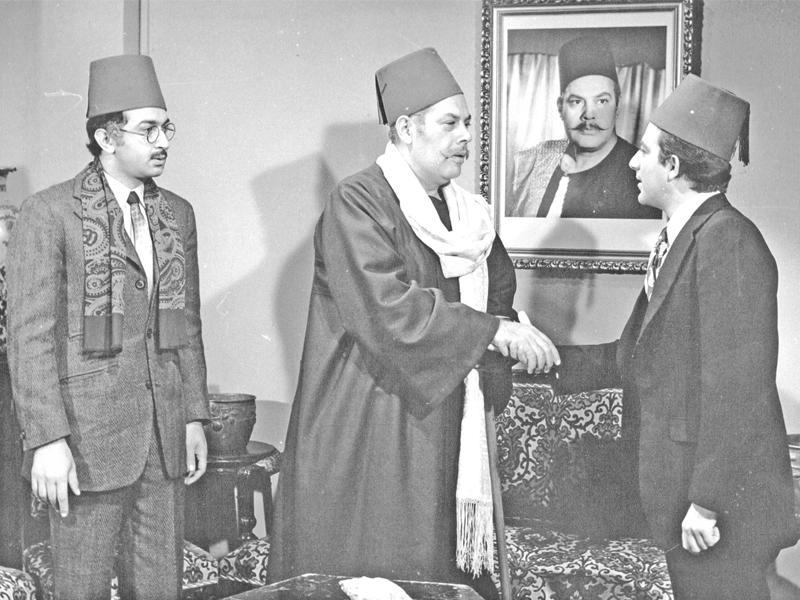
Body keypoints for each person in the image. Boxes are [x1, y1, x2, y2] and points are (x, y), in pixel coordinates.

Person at [268, 47, 559, 598]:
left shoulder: (469, 214)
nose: (466, 137)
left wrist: (504, 327)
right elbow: (388, 309)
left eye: (468, 123)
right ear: (405, 128)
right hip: (367, 425)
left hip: (442, 419)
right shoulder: (358, 201)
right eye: (450, 123)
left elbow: (498, 292)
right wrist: (493, 332)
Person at [556, 74, 798, 599]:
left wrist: (707, 502)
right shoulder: (684, 236)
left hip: (717, 506)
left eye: (644, 152)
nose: (632, 163)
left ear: (672, 166)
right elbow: (633, 357)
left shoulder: (727, 241)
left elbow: (738, 388)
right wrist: (546, 356)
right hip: (683, 492)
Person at [7, 54, 210, 600]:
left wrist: (193, 415)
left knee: (161, 589)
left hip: (163, 439)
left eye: (166, 128)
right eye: (148, 130)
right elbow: (29, 338)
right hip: (85, 441)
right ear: (105, 137)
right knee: (82, 589)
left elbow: (187, 324)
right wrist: (47, 439)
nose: (163, 142)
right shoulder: (50, 212)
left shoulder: (177, 214)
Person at [508, 35, 661, 220]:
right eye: (576, 101)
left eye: (602, 101)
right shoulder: (536, 161)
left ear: (617, 106)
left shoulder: (641, 173)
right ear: (560, 108)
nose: (589, 114)